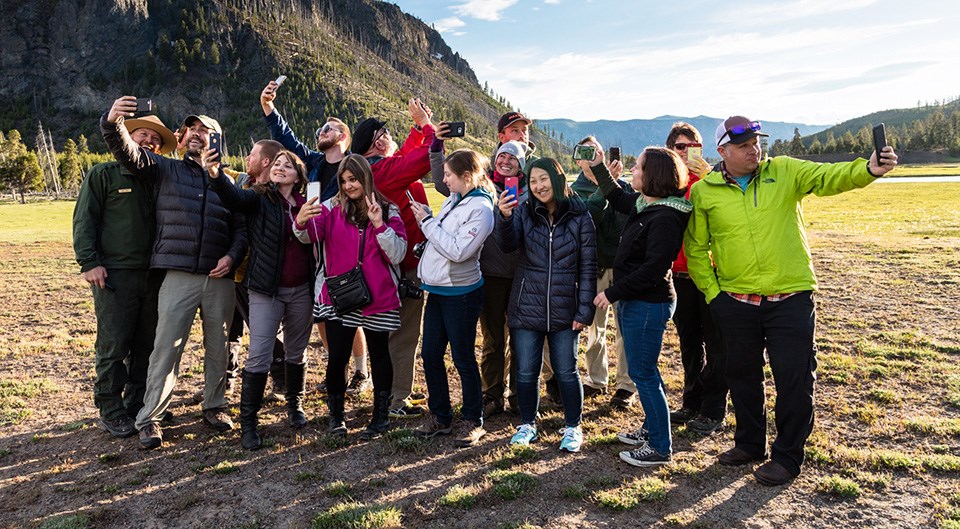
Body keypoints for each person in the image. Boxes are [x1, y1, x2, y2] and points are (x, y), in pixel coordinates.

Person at [684, 116, 898, 485]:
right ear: (723, 151)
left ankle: (787, 457)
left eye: (757, 143)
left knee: (794, 378)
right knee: (742, 377)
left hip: (791, 298)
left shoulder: (784, 171)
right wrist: (714, 295)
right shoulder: (706, 191)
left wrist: (868, 169)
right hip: (736, 302)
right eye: (744, 146)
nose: (755, 150)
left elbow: (828, 177)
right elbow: (696, 247)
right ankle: (750, 444)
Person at [101, 97, 247, 450]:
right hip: (178, 274)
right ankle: (150, 418)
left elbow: (241, 228)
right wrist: (113, 124)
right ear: (183, 138)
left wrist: (231, 257)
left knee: (218, 349)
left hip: (219, 278)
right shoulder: (165, 170)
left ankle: (214, 406)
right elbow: (128, 153)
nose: (197, 134)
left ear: (218, 139)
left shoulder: (229, 182)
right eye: (192, 129)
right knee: (165, 349)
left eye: (205, 130)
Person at [583, 147, 692, 467]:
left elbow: (653, 269)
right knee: (646, 372)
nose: (633, 169)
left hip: (648, 304)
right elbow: (617, 197)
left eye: (639, 166)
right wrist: (599, 168)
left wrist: (612, 292)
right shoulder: (646, 205)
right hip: (636, 301)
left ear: (653, 175)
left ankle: (660, 446)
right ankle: (651, 429)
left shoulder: (666, 217)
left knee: (644, 374)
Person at [259, 80, 370, 394]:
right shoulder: (314, 163)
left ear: (343, 137)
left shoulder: (353, 167)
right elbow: (285, 137)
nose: (322, 130)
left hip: (343, 250)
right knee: (322, 316)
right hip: (312, 248)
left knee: (350, 312)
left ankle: (362, 373)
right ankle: (339, 370)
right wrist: (269, 108)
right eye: (321, 127)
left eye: (330, 127)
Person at [73, 115, 176, 438]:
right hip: (115, 274)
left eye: (155, 140)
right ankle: (110, 408)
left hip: (154, 274)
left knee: (147, 345)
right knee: (114, 344)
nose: (149, 141)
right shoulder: (103, 174)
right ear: (127, 137)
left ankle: (137, 404)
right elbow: (84, 220)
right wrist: (89, 262)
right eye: (142, 135)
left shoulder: (160, 178)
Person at [205, 149, 315, 450]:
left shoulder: (307, 204)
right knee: (260, 354)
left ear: (299, 174)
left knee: (296, 351)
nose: (280, 168)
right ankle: (249, 423)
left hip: (302, 289)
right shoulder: (259, 197)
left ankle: (295, 405)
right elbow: (233, 198)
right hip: (266, 289)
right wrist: (215, 175)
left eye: (287, 165)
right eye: (277, 164)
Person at [294, 154, 407, 439]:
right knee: (338, 357)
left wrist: (379, 225)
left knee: (380, 355)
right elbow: (310, 237)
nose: (348, 186)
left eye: (353, 179)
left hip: (378, 296)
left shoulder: (388, 209)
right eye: (343, 181)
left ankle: (380, 418)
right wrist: (301, 222)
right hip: (340, 295)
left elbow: (397, 254)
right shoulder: (331, 208)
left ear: (365, 178)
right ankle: (337, 417)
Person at [496, 158, 597, 452]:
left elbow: (588, 267)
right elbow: (507, 245)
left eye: (543, 179)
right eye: (533, 181)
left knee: (566, 371)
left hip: (566, 307)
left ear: (557, 178)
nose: (539, 186)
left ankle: (573, 426)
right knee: (526, 372)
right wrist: (504, 217)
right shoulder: (524, 212)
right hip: (527, 303)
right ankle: (527, 423)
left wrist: (584, 309)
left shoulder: (581, 216)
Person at [353, 99, 435, 418]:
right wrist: (427, 127)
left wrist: (417, 129)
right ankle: (396, 398)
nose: (390, 137)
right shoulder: (383, 171)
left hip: (391, 264)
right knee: (403, 331)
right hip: (404, 266)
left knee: (395, 331)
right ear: (374, 142)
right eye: (383, 133)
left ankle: (394, 392)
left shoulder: (376, 169)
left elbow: (405, 156)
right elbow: (422, 159)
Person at [434, 134, 527, 417]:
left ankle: (520, 394)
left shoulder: (531, 191)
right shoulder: (483, 188)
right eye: (502, 156)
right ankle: (492, 393)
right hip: (491, 273)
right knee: (492, 338)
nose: (506, 161)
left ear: (521, 165)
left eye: (513, 157)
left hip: (523, 274)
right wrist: (437, 148)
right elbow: (443, 181)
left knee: (521, 338)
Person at [409, 149, 495, 447]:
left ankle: (473, 419)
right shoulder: (454, 200)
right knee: (431, 354)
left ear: (467, 177)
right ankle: (441, 416)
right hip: (438, 291)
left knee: (462, 357)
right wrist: (427, 221)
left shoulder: (481, 210)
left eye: (448, 175)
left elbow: (459, 251)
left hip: (461, 294)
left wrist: (428, 223)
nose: (443, 180)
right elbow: (442, 239)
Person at [192, 139, 287, 405]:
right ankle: (228, 380)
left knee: (265, 329)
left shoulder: (276, 191)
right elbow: (223, 175)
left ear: (265, 161)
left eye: (252, 154)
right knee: (229, 331)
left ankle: (281, 379)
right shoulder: (244, 180)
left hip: (253, 273)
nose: (247, 158)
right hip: (228, 272)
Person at [662, 122, 729, 435]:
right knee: (689, 343)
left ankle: (714, 410)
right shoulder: (670, 182)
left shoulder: (716, 180)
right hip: (678, 274)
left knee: (716, 343)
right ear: (670, 150)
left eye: (693, 146)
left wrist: (709, 177)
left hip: (712, 272)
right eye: (680, 147)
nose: (687, 152)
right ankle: (691, 402)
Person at [568, 136, 636, 410]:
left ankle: (626, 385)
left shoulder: (623, 187)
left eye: (596, 152)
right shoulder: (573, 191)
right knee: (594, 328)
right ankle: (597, 379)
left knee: (625, 329)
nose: (591, 157)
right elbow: (584, 222)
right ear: (578, 159)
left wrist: (613, 184)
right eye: (585, 153)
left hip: (621, 269)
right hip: (592, 268)